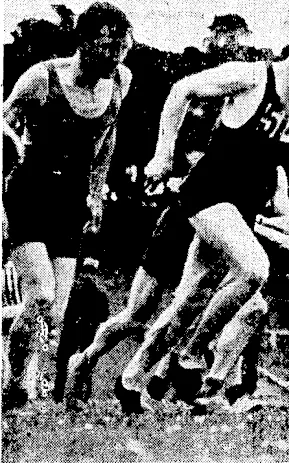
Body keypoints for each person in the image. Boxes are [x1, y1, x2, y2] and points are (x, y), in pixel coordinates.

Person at [116, 14, 289, 411]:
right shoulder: (253, 78)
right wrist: (162, 153)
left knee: (191, 299)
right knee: (254, 269)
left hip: (244, 205)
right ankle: (191, 354)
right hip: (207, 193)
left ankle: (132, 378)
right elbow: (182, 90)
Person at [2, 1, 132, 409]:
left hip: (71, 200)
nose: (114, 59)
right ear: (84, 42)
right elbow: (3, 121)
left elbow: (106, 140)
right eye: (107, 49)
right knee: (39, 293)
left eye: (121, 51)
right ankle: (14, 377)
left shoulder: (120, 81)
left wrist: (96, 191)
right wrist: (13, 146)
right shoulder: (43, 79)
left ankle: (17, 377)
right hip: (29, 192)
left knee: (55, 313)